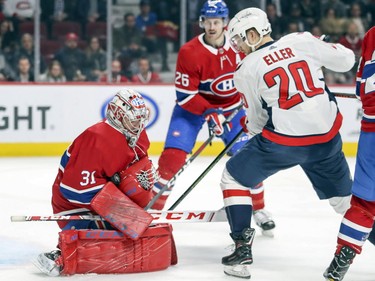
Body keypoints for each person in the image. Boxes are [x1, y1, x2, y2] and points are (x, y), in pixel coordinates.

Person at [220, 7, 357, 279]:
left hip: (283, 143)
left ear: (253, 34)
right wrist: (318, 48)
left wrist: (253, 126)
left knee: (233, 178)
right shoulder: (299, 40)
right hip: (327, 141)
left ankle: (241, 250)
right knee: (348, 204)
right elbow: (347, 60)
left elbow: (257, 124)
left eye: (237, 40)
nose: (236, 47)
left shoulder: (246, 68)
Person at [150, 0, 275, 235]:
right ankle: (152, 214)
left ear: (225, 23)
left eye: (216, 21)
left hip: (233, 109)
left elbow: (256, 75)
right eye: (207, 21)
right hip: (192, 111)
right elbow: (185, 96)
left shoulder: (239, 46)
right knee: (170, 163)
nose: (211, 26)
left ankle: (259, 209)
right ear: (201, 22)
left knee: (247, 157)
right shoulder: (189, 52)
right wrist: (210, 112)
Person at [33, 89, 176, 276]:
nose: (139, 125)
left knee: (138, 229)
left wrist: (140, 184)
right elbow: (73, 190)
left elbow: (136, 166)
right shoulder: (96, 138)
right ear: (118, 115)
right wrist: (121, 196)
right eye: (134, 120)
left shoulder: (137, 133)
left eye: (141, 120)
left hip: (107, 199)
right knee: (128, 233)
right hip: (75, 208)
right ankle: (64, 253)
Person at [324, 26, 375, 281]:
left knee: (364, 205)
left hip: (370, 132)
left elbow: (359, 88)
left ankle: (340, 262)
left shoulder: (371, 35)